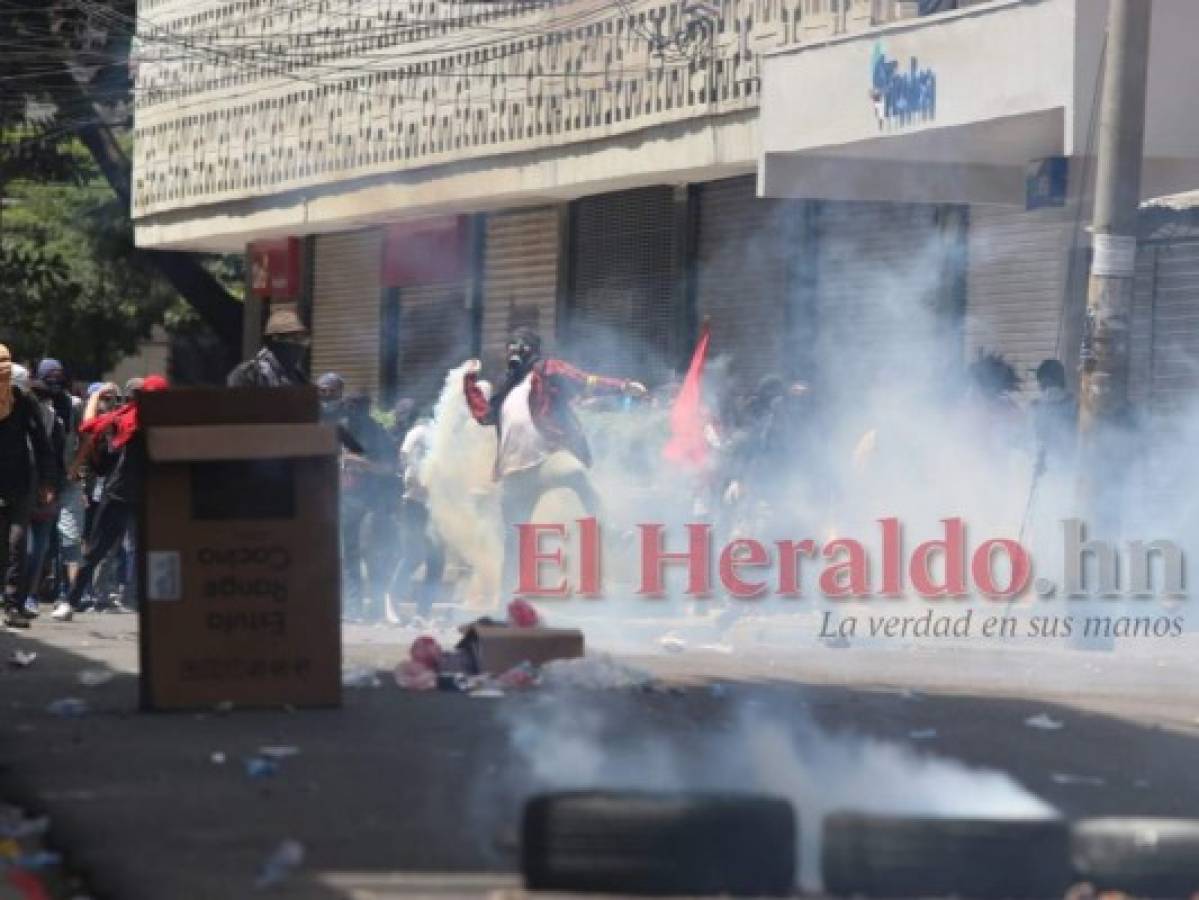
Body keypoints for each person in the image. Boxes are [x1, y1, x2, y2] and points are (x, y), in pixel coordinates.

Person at [463, 327, 646, 594]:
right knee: (515, 541)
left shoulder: (547, 370)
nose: (515, 351)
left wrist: (623, 387)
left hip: (546, 458)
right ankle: (504, 607)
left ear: (533, 349)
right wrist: (469, 381)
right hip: (514, 473)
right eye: (511, 346)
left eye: (521, 345)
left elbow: (583, 380)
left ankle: (612, 532)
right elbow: (483, 415)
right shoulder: (506, 389)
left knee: (575, 474)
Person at [54, 375, 168, 622]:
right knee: (96, 550)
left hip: (147, 495)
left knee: (158, 551)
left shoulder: (165, 424)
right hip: (120, 493)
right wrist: (95, 397)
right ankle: (70, 601)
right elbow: (91, 426)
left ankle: (161, 605)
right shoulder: (128, 417)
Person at [0, 346, 56, 628]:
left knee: (16, 544)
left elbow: (41, 444)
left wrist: (46, 480)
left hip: (19, 482)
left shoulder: (23, 401)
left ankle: (13, 606)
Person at [338, 391, 397, 621]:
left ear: (366, 407)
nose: (352, 410)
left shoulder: (378, 434)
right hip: (345, 500)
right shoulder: (341, 429)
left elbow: (389, 467)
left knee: (371, 555)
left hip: (371, 501)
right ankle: (354, 610)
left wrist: (361, 463)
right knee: (349, 555)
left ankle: (377, 608)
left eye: (356, 405)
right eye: (348, 405)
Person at [387, 410, 445, 623]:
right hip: (415, 503)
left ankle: (423, 613)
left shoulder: (448, 438)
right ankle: (391, 601)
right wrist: (417, 478)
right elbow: (405, 456)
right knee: (413, 554)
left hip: (438, 506)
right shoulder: (420, 432)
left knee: (437, 560)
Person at [227, 307, 310, 387]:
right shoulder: (248, 374)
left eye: (302, 340)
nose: (300, 346)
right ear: (276, 340)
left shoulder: (299, 378)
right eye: (295, 338)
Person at [1030, 358, 1077, 474]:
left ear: (1041, 382)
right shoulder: (1076, 405)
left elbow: (1028, 441)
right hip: (1070, 468)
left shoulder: (1035, 408)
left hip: (1044, 470)